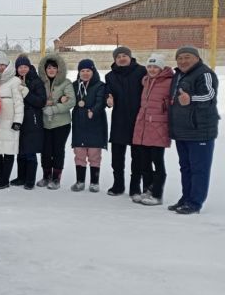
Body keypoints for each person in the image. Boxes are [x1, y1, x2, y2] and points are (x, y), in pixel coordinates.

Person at [167, 46, 219, 214]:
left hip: (200, 130)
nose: (183, 61)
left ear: (196, 58)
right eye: (179, 58)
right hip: (182, 130)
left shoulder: (204, 73)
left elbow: (209, 95)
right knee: (186, 167)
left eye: (187, 57)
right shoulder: (179, 75)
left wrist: (191, 98)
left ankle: (195, 202)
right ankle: (186, 198)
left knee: (199, 169)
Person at [104, 46, 147, 198]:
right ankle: (118, 184)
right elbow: (107, 92)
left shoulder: (142, 71)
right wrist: (107, 98)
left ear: (130, 56)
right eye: (118, 56)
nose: (122, 58)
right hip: (119, 120)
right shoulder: (110, 76)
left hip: (138, 120)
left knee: (138, 156)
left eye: (124, 55)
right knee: (117, 156)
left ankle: (135, 186)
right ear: (115, 59)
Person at [131, 54, 173, 206]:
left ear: (161, 68)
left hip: (159, 128)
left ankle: (157, 195)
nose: (152, 69)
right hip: (143, 127)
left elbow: (171, 104)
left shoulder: (169, 82)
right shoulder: (146, 81)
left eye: (155, 67)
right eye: (149, 66)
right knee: (144, 163)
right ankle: (147, 190)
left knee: (158, 163)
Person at [37, 53, 76, 190]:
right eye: (49, 68)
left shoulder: (66, 83)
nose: (51, 70)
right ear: (44, 70)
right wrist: (45, 104)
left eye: (54, 67)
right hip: (44, 123)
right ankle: (46, 175)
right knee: (45, 150)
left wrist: (54, 108)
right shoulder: (41, 83)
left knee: (57, 150)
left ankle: (56, 178)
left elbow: (71, 101)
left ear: (59, 69)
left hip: (61, 124)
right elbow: (37, 98)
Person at [71, 59, 108, 192]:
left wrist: (94, 110)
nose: (85, 73)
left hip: (95, 123)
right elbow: (69, 98)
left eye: (88, 70)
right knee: (79, 153)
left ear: (93, 71)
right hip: (79, 122)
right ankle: (80, 181)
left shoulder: (100, 86)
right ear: (79, 72)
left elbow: (101, 101)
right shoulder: (74, 85)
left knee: (94, 154)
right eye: (82, 71)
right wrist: (62, 99)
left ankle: (94, 182)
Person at [0, 52, 24, 189]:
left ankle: (5, 179)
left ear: (7, 65)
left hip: (9, 121)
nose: (0, 67)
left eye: (2, 64)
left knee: (8, 150)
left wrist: (18, 121)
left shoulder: (14, 81)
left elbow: (19, 103)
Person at [11, 55, 46, 190]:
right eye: (20, 67)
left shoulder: (36, 81)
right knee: (20, 151)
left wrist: (27, 93)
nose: (23, 69)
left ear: (29, 67)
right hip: (18, 119)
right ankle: (21, 177)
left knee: (30, 151)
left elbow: (41, 102)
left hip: (32, 119)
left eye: (25, 66)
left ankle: (30, 179)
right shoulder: (14, 81)